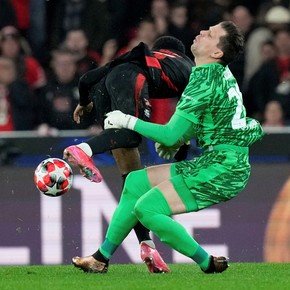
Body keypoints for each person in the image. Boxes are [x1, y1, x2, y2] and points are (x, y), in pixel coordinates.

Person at [71, 21, 264, 274]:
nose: (202, 32)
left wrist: (128, 120)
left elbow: (170, 134)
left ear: (217, 53)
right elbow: (211, 121)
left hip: (223, 170)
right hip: (220, 161)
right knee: (135, 183)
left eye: (211, 34)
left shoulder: (204, 80)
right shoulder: (213, 74)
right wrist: (181, 139)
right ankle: (101, 258)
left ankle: (206, 262)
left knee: (146, 209)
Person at [63, 36, 194, 273]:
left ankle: (146, 245)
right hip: (130, 80)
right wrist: (180, 151)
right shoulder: (187, 67)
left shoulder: (141, 56)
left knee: (132, 179)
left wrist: (84, 103)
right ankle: (83, 150)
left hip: (104, 85)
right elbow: (188, 116)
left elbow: (85, 79)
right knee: (132, 137)